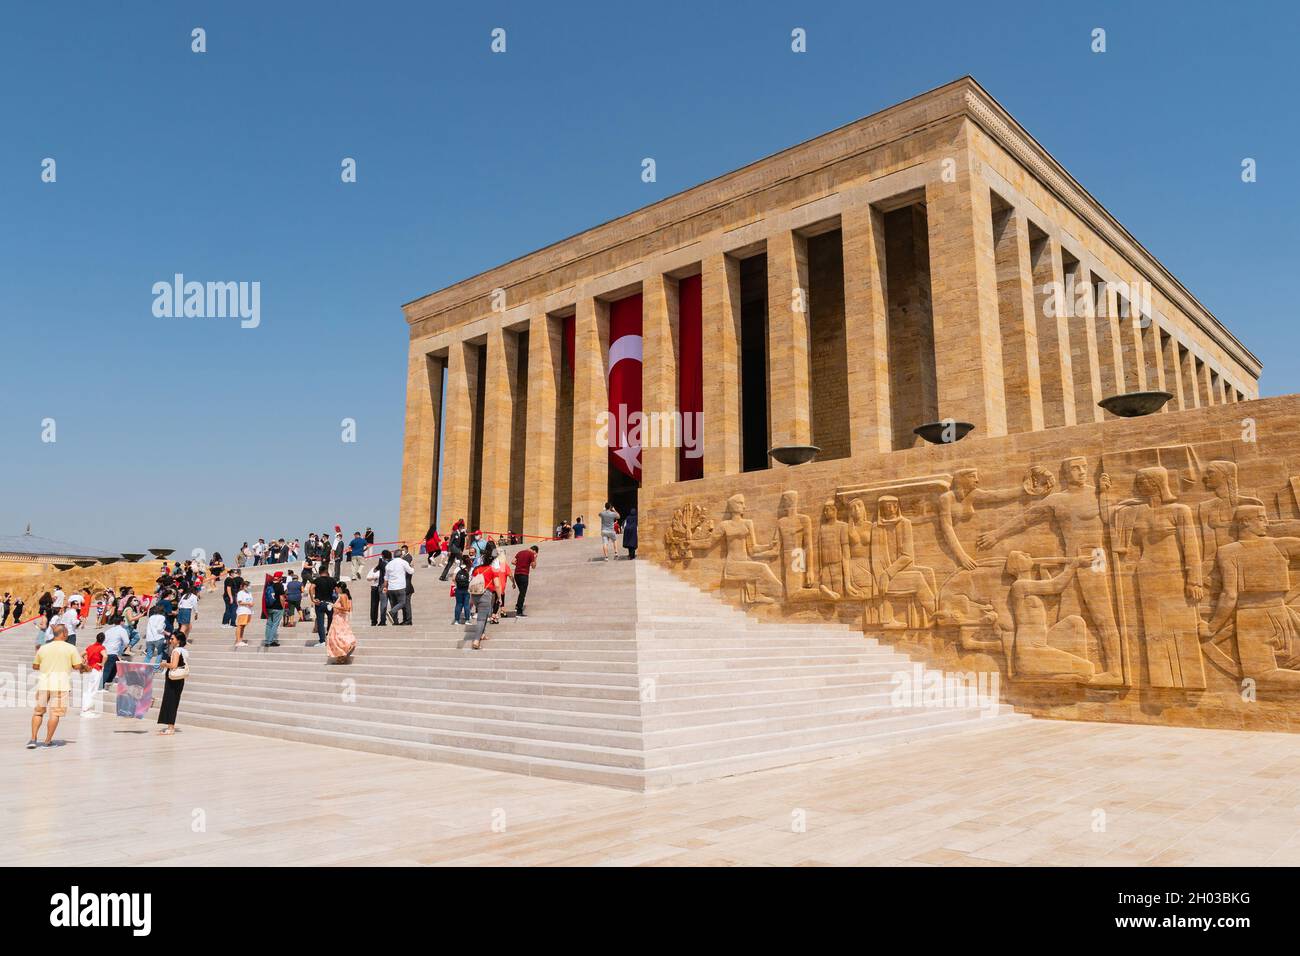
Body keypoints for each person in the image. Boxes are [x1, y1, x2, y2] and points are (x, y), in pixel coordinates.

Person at [29, 624, 87, 749]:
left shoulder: (43, 648)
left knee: (38, 712)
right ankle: (47, 741)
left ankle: (33, 740)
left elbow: (35, 666)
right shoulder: (71, 648)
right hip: (61, 685)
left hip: (44, 684)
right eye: (66, 632)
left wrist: (46, 666)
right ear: (63, 633)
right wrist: (85, 666)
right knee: (54, 714)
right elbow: (77, 666)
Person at [156, 633, 189, 735]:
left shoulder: (176, 651)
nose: (170, 640)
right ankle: (170, 726)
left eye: (172, 639)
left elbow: (174, 665)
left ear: (178, 640)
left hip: (173, 679)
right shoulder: (184, 651)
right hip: (179, 679)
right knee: (174, 701)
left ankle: (170, 728)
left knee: (170, 702)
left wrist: (164, 664)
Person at [325, 582, 357, 664]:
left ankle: (342, 656)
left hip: (339, 619)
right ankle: (340, 657)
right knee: (335, 638)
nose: (335, 589)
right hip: (337, 619)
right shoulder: (343, 596)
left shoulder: (342, 596)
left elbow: (346, 608)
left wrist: (334, 606)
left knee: (337, 638)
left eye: (336, 588)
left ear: (339, 588)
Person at [467, 560, 495, 650]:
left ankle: (482, 634)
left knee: (485, 615)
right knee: (481, 619)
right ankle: (476, 641)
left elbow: (473, 581)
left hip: (475, 594)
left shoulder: (477, 569)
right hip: (485, 594)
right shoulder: (491, 569)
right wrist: (499, 596)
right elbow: (497, 584)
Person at [382, 549, 413, 626]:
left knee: (394, 604)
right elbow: (411, 571)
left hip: (391, 588)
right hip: (400, 587)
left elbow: (386, 577)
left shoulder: (388, 564)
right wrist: (412, 567)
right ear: (401, 555)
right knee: (403, 602)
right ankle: (391, 612)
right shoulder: (403, 562)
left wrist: (385, 587)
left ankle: (395, 622)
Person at [80, 632, 106, 718]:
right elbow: (105, 656)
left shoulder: (90, 647)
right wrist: (102, 664)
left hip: (89, 669)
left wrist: (84, 659)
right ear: (103, 640)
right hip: (96, 669)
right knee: (93, 689)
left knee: (87, 689)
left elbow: (81, 654)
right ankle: (86, 709)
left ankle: (84, 708)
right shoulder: (101, 647)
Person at [311, 570, 336, 647]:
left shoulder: (317, 580)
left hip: (320, 603)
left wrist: (313, 599)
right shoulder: (332, 580)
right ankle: (329, 637)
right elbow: (337, 590)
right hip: (330, 603)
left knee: (320, 622)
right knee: (331, 621)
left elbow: (311, 588)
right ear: (327, 573)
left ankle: (322, 641)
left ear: (320, 573)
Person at [513, 545, 538, 617]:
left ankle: (518, 605)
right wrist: (535, 558)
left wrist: (520, 564)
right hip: (524, 575)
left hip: (516, 574)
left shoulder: (520, 552)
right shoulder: (531, 554)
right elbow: (533, 566)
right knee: (522, 593)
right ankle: (519, 611)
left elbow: (512, 561)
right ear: (534, 551)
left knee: (521, 592)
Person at [264, 572, 286, 648]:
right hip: (277, 607)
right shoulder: (280, 585)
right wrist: (283, 606)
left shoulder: (269, 584)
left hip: (269, 607)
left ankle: (268, 640)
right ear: (280, 578)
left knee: (269, 624)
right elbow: (281, 597)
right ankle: (270, 641)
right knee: (275, 624)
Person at [451, 555, 472, 625]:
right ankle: (467, 620)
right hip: (467, 589)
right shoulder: (470, 569)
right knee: (466, 605)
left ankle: (456, 620)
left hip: (459, 589)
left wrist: (456, 585)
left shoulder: (457, 568)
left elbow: (453, 578)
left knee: (458, 604)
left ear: (462, 561)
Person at [234, 578, 253, 647]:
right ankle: (238, 640)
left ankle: (241, 640)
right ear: (244, 586)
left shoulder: (249, 593)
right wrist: (248, 603)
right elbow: (240, 602)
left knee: (243, 626)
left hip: (248, 611)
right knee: (240, 626)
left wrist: (251, 604)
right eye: (248, 586)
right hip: (242, 611)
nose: (249, 587)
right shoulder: (240, 593)